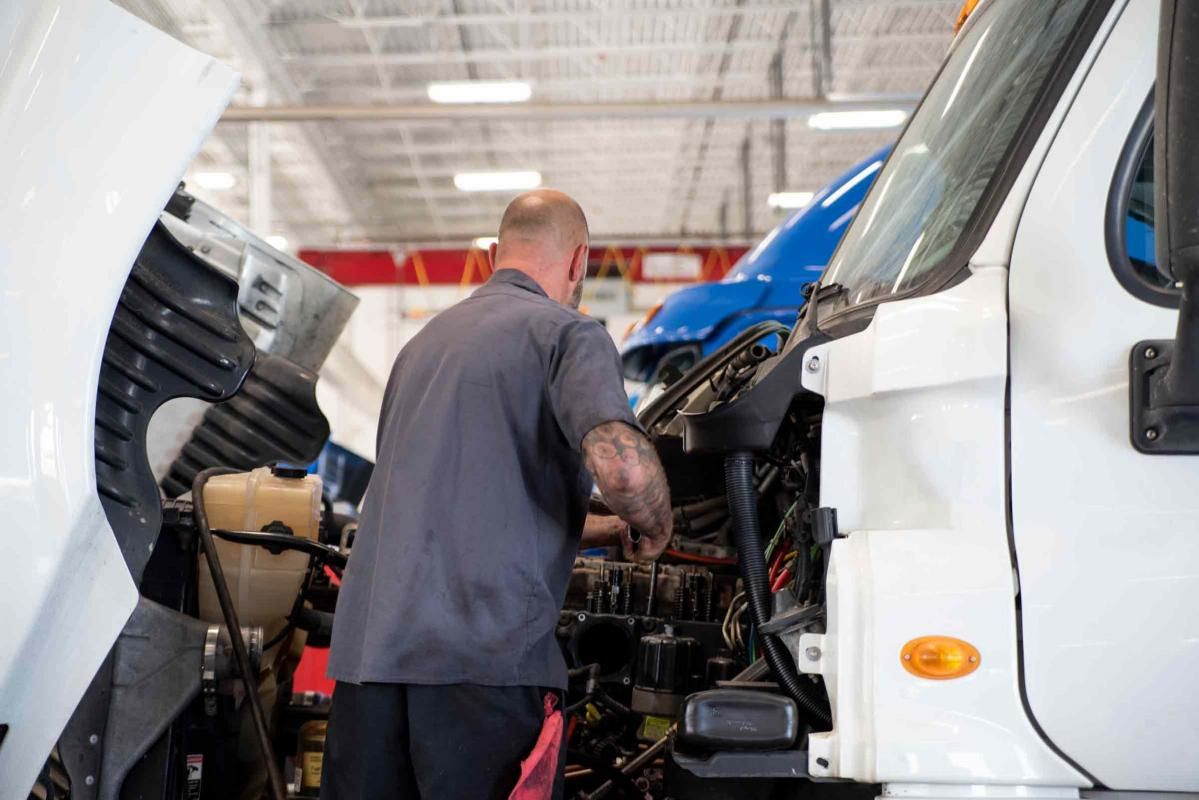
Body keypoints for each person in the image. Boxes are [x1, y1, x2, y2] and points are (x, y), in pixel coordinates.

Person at [322, 189, 674, 799]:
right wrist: (657, 522)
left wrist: (608, 530)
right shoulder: (567, 334)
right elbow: (626, 475)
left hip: (370, 666)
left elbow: (460, 500)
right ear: (578, 262)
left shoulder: (422, 348)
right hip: (480, 664)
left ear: (491, 257)